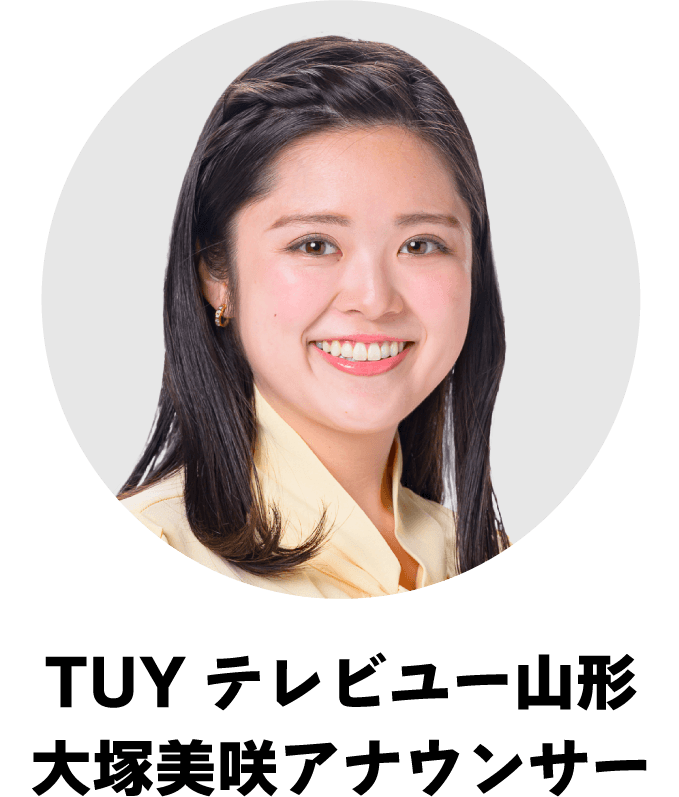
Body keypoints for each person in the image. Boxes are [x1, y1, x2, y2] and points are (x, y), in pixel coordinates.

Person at [119, 35, 510, 598]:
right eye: (314, 245)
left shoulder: (480, 553)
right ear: (216, 273)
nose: (374, 299)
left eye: (420, 244)